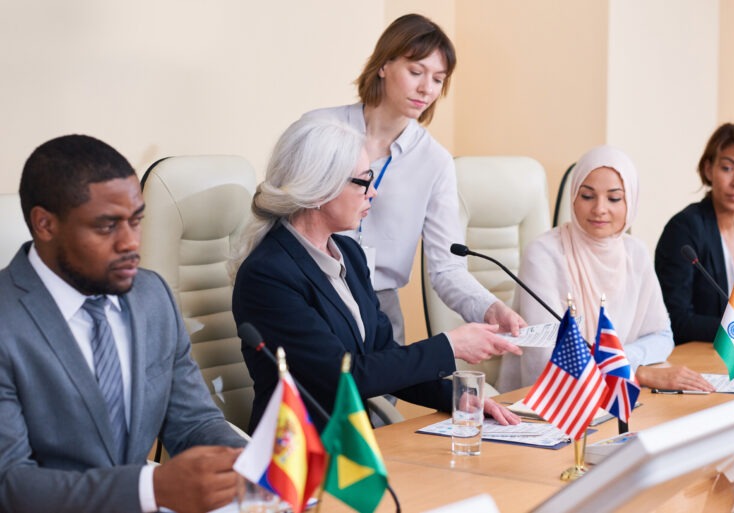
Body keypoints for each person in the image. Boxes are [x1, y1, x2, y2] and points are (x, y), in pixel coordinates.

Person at [0, 135, 247, 513]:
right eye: (107, 226)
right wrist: (152, 488)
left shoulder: (151, 297)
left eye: (136, 221)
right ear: (45, 224)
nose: (131, 243)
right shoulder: (7, 322)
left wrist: (253, 465)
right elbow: (10, 484)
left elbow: (194, 423)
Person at [231, 117, 521, 431]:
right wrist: (449, 346)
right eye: (363, 181)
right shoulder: (268, 275)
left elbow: (383, 357)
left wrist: (457, 396)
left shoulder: (350, 253)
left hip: (355, 446)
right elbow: (343, 378)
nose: (374, 193)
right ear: (318, 189)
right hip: (299, 455)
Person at [301, 13, 525, 345]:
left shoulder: (435, 162)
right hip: (309, 294)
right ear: (383, 65)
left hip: (380, 307)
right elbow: (280, 216)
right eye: (416, 72)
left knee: (382, 396)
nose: (426, 88)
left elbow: (447, 269)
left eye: (438, 79)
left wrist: (490, 308)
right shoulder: (317, 130)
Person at [496, 146, 713, 393]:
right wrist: (637, 371)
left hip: (618, 392)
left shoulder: (635, 252)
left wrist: (618, 362)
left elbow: (662, 337)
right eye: (587, 196)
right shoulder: (543, 253)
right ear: (573, 197)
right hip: (551, 401)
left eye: (614, 198)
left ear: (630, 200)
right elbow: (547, 357)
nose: (600, 209)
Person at [656, 123, 734, 344]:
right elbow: (675, 320)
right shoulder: (684, 228)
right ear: (709, 169)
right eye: (727, 168)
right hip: (700, 358)